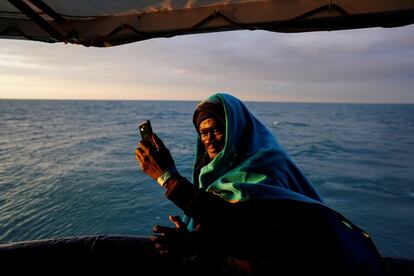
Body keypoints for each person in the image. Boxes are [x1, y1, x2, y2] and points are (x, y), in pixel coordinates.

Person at [135, 93, 388, 275]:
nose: (209, 140)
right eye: (203, 133)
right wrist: (193, 239)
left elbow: (250, 226)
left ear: (237, 129)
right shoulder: (214, 172)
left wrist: (168, 178)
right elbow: (227, 226)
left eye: (217, 130)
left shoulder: (269, 166)